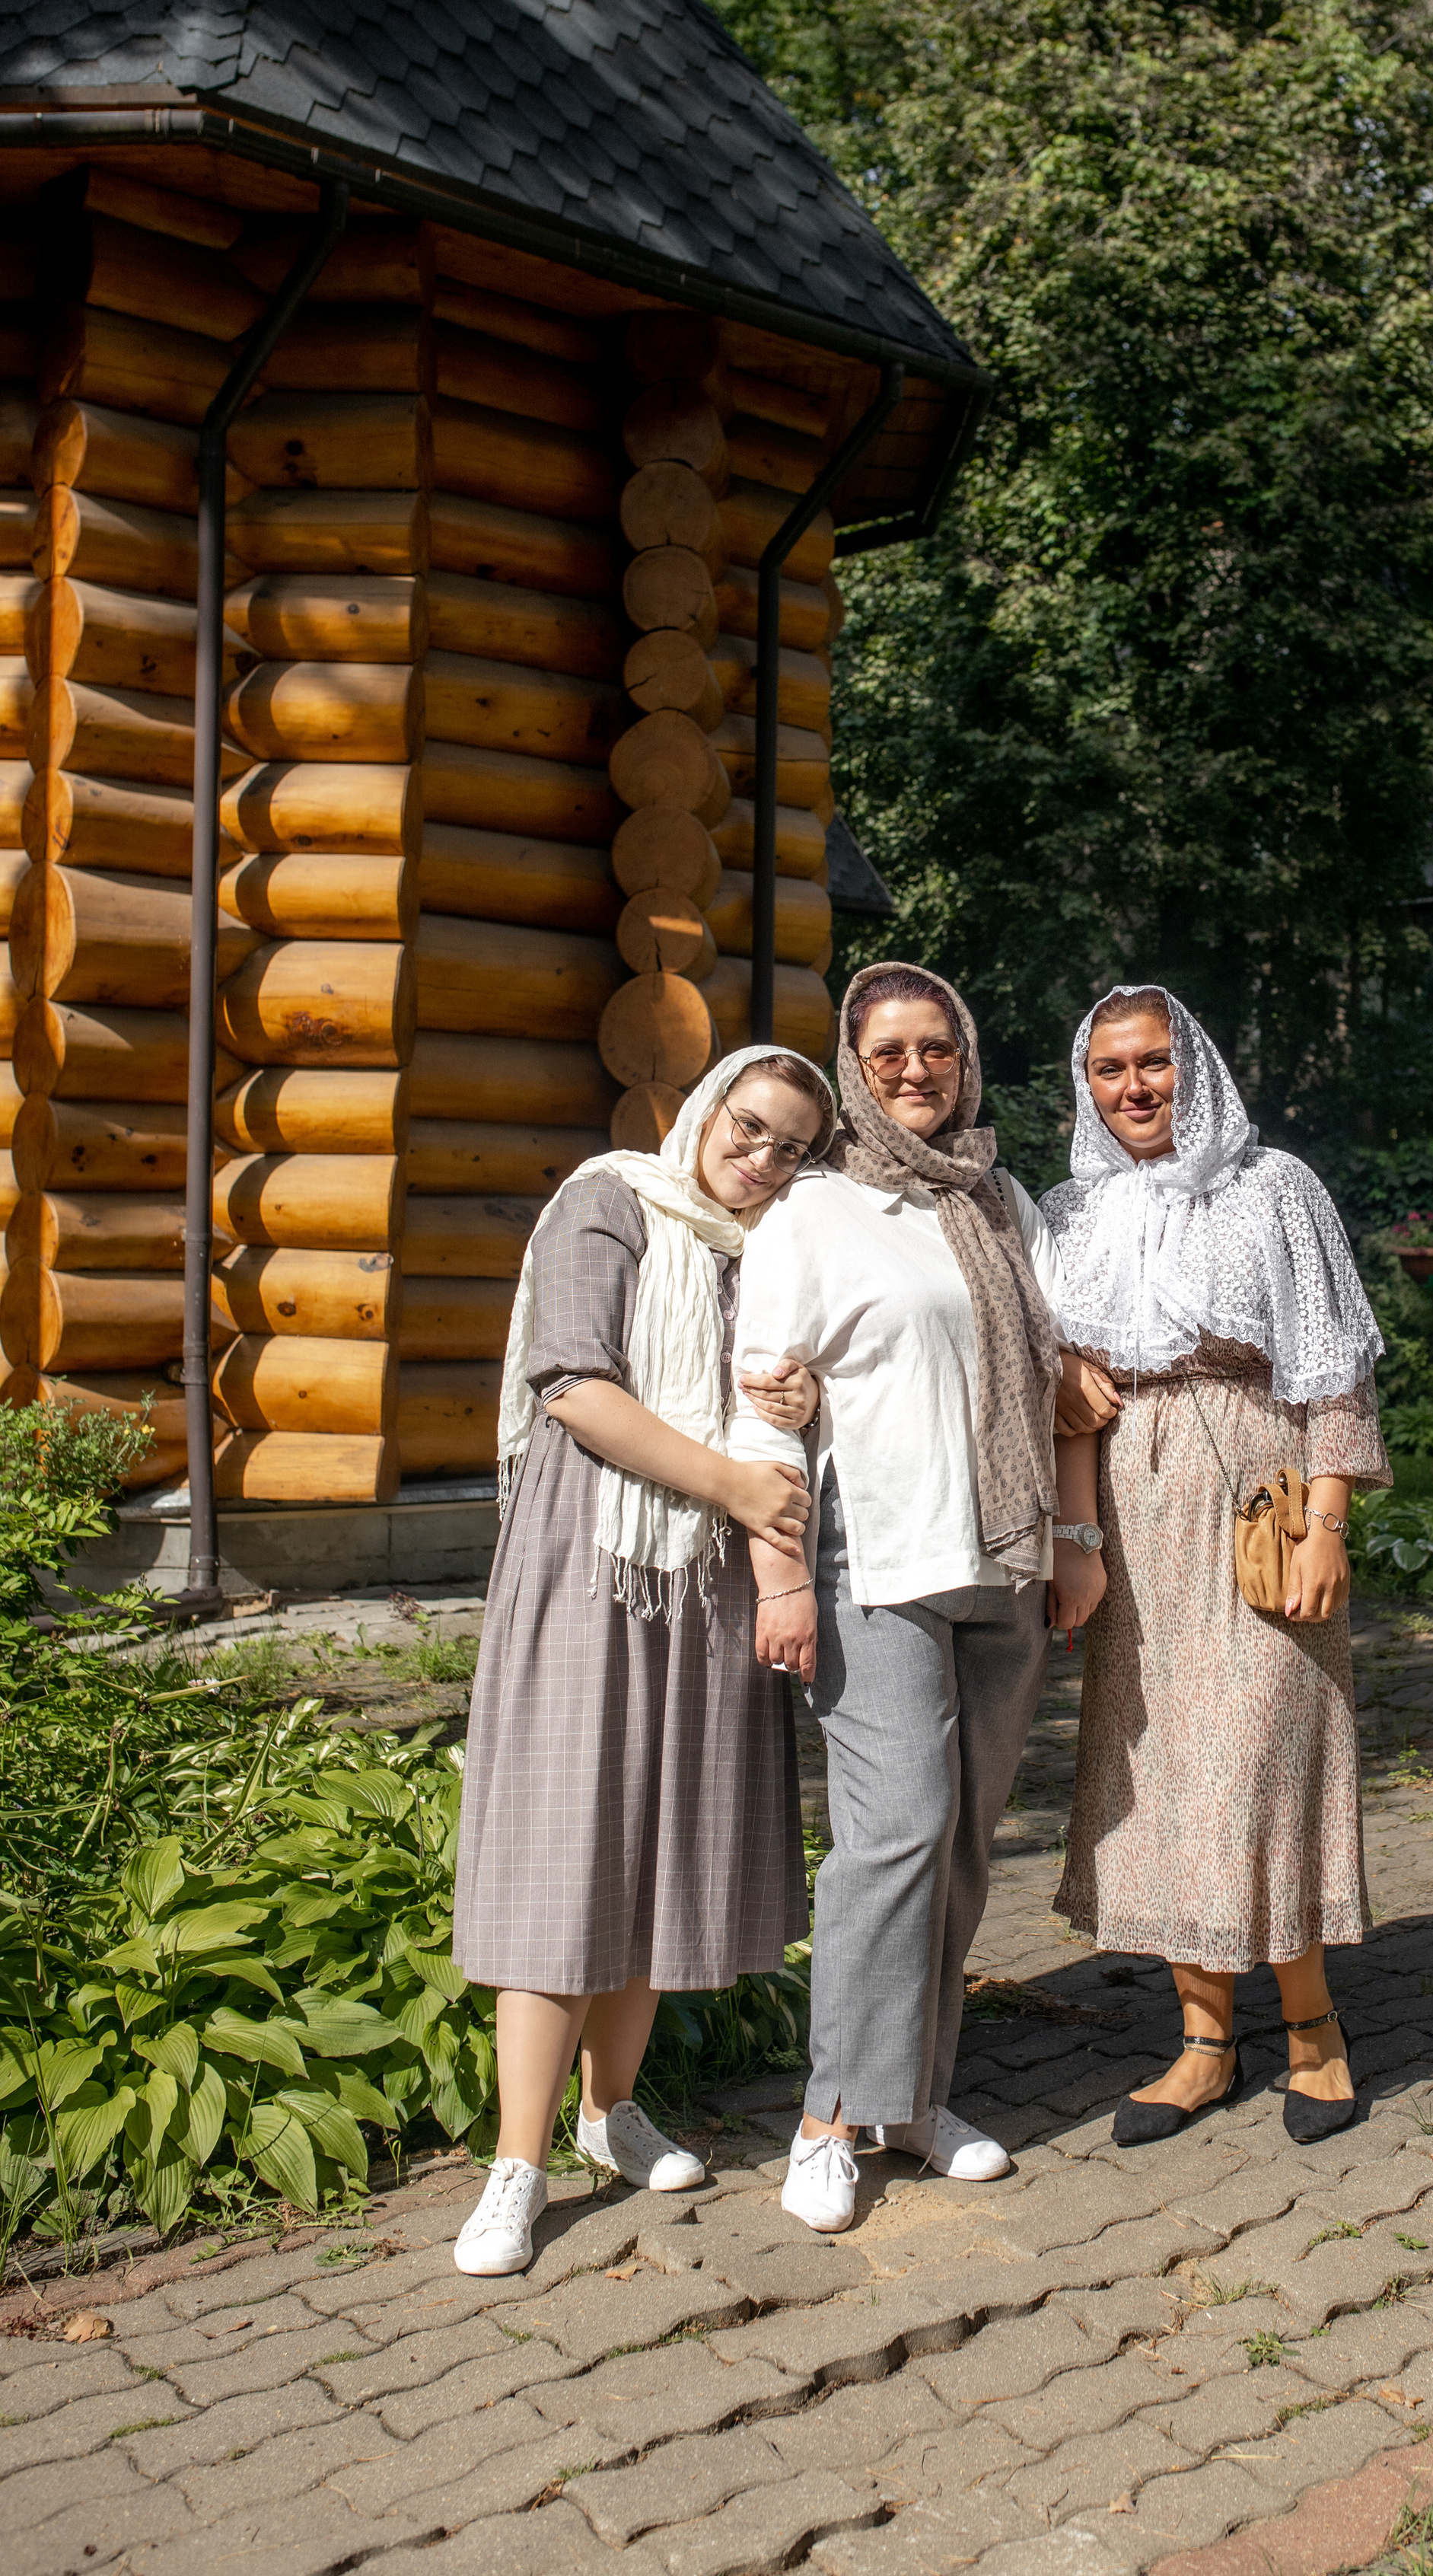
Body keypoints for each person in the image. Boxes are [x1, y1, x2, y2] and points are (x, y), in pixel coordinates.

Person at [724, 962, 1107, 2236]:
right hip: (874, 1563)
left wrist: (1074, 1537)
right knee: (894, 1838)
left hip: (1002, 1562)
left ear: (968, 1057)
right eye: (886, 1052)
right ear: (852, 1062)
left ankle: (914, 2099)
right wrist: (780, 1575)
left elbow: (1062, 1377)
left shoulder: (1002, 1206)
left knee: (956, 1847)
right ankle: (829, 2117)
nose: (914, 1072)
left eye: (935, 1048)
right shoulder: (814, 1212)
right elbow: (762, 1403)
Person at [449, 1044, 839, 2277]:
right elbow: (573, 1383)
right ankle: (517, 2168)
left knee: (662, 1844)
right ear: (707, 1109)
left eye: (791, 1147)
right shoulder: (612, 1196)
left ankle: (610, 2111)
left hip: (710, 1583)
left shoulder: (771, 1257)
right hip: (592, 1561)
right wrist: (732, 1477)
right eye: (752, 1124)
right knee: (567, 1849)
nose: (762, 1156)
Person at [1043, 987, 1391, 2146]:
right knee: (1169, 1769)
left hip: (1255, 1491)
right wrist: (1076, 1524)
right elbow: (1053, 1383)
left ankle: (1312, 2034)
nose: (1134, 1088)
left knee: (1261, 1756)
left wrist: (1330, 1518)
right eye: (1109, 1069)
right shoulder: (1068, 1213)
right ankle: (1200, 2046)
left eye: (1155, 1064)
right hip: (1129, 1512)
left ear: (1196, 1066)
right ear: (1084, 1084)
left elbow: (1333, 1364)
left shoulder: (1273, 1186)